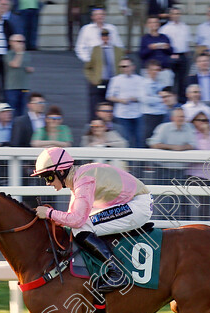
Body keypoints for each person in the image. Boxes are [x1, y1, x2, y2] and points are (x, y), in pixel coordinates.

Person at [31, 146, 153, 293]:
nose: (47, 183)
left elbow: (77, 220)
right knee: (81, 226)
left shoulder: (83, 180)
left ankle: (117, 272)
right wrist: (54, 218)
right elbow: (71, 217)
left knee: (82, 227)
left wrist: (50, 213)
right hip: (129, 202)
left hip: (137, 205)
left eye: (49, 177)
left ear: (61, 171)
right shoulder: (77, 179)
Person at [84, 28, 125, 118]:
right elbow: (88, 67)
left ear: (109, 37)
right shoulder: (95, 50)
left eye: (106, 36)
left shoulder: (118, 51)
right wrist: (93, 79)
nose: (105, 38)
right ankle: (96, 121)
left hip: (113, 82)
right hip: (101, 82)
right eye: (103, 36)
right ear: (100, 38)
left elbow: (123, 65)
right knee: (97, 101)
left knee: (113, 105)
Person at [106, 57, 144, 147]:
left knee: (139, 138)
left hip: (137, 112)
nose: (124, 69)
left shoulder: (140, 80)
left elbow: (144, 95)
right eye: (121, 67)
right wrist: (121, 100)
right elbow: (109, 96)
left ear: (133, 67)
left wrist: (136, 98)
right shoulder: (116, 80)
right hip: (122, 113)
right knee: (126, 139)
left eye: (126, 66)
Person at [159, 7, 190, 96]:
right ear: (170, 15)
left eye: (178, 13)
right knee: (171, 80)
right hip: (171, 56)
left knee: (183, 80)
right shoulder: (165, 29)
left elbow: (187, 42)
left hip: (183, 56)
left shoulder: (185, 27)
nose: (176, 16)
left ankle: (181, 100)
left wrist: (187, 55)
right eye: (174, 13)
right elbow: (163, 45)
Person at [4, 34, 33, 117]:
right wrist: (19, 53)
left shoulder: (26, 54)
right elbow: (15, 64)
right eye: (18, 41)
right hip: (12, 88)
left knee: (22, 111)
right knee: (12, 111)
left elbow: (25, 65)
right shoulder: (9, 54)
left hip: (24, 87)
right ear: (11, 43)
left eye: (23, 42)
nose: (21, 44)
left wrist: (29, 69)